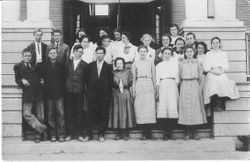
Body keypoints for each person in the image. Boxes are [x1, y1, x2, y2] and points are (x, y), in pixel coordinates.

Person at [13, 49, 47, 143]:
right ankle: (43, 129)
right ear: (22, 56)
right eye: (26, 56)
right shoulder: (17, 66)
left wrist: (41, 79)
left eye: (29, 56)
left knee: (41, 116)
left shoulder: (36, 65)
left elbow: (41, 75)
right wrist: (22, 81)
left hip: (38, 92)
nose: (28, 58)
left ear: (31, 57)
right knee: (26, 114)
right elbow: (17, 79)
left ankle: (38, 135)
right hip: (28, 93)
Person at [83, 46, 113, 142]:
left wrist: (107, 93)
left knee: (102, 115)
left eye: (101, 53)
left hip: (103, 95)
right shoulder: (90, 66)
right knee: (90, 115)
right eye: (98, 53)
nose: (99, 55)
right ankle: (89, 135)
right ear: (95, 54)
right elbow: (86, 80)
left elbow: (110, 82)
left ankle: (101, 134)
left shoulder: (108, 66)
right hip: (92, 94)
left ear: (104, 55)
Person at [178, 46, 207, 140]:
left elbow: (201, 75)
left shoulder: (197, 62)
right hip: (185, 84)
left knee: (195, 107)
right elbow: (179, 74)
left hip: (194, 84)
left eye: (191, 51)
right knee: (185, 107)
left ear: (194, 52)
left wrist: (197, 85)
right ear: (185, 53)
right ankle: (187, 132)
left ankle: (194, 132)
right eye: (187, 51)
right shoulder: (181, 62)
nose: (189, 53)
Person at [203, 37, 240, 111]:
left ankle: (222, 101)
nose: (215, 44)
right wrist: (211, 70)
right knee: (212, 81)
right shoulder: (208, 54)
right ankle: (214, 102)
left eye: (217, 42)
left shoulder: (223, 54)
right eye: (213, 43)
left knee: (223, 81)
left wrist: (221, 71)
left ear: (219, 44)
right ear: (211, 44)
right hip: (211, 72)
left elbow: (226, 65)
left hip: (220, 72)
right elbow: (205, 66)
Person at [39, 48, 66, 142]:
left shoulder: (61, 66)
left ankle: (61, 134)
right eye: (51, 53)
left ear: (57, 55)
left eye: (55, 53)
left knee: (61, 114)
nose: (53, 54)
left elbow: (64, 80)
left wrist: (61, 91)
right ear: (48, 55)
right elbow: (42, 80)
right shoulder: (44, 66)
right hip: (49, 94)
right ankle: (53, 135)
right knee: (50, 115)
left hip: (59, 94)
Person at [132, 45, 156, 140]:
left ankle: (149, 132)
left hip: (149, 84)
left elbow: (154, 76)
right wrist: (133, 90)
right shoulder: (135, 63)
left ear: (147, 52)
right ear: (138, 52)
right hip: (139, 84)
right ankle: (144, 133)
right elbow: (133, 78)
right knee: (140, 108)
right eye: (141, 51)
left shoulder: (151, 62)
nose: (142, 53)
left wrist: (155, 88)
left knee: (149, 108)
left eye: (144, 51)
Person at [108, 57, 136, 140]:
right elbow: (110, 84)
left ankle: (125, 133)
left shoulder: (128, 72)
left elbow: (130, 84)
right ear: (115, 65)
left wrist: (132, 94)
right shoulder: (112, 73)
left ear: (123, 64)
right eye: (117, 64)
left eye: (121, 63)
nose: (119, 65)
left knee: (125, 112)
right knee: (117, 112)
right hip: (116, 94)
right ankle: (118, 132)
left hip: (126, 93)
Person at [64, 44, 88, 141]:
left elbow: (86, 79)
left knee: (79, 113)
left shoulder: (85, 65)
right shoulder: (67, 63)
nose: (80, 53)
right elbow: (64, 77)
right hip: (69, 91)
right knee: (69, 113)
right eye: (78, 51)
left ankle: (79, 134)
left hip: (79, 92)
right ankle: (69, 134)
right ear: (73, 52)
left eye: (81, 52)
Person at [156, 47, 179, 140]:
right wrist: (157, 90)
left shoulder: (175, 64)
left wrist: (175, 83)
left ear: (171, 55)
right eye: (165, 53)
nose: (167, 55)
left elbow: (177, 77)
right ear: (162, 55)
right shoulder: (158, 65)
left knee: (172, 109)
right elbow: (157, 79)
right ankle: (165, 133)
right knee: (163, 109)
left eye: (169, 53)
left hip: (172, 85)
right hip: (163, 85)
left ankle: (171, 132)